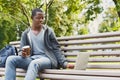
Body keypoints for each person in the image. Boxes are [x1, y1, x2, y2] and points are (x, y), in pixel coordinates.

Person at [5, 8, 74, 80]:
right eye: (38, 18)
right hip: (31, 59)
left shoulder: (48, 31)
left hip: (47, 59)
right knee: (10, 59)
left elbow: (56, 49)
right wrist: (22, 54)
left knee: (34, 63)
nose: (41, 20)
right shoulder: (26, 33)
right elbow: (20, 51)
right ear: (32, 18)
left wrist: (65, 64)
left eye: (42, 18)